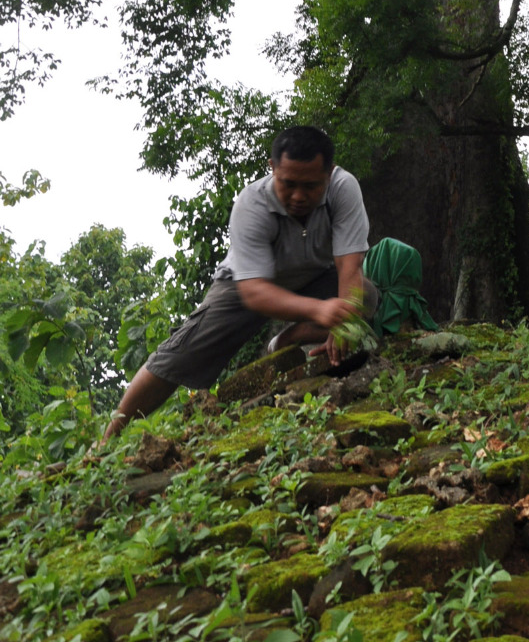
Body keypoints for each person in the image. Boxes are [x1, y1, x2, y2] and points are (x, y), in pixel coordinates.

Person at [100, 125, 376, 445]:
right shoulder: (252, 203)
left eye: (311, 186)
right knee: (179, 354)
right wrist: (320, 309)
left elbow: (349, 266)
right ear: (272, 169)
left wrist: (342, 324)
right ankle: (108, 441)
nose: (299, 196)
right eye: (288, 184)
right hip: (245, 284)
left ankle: (289, 338)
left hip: (315, 277)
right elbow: (254, 291)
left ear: (328, 174)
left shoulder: (344, 188)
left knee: (365, 298)